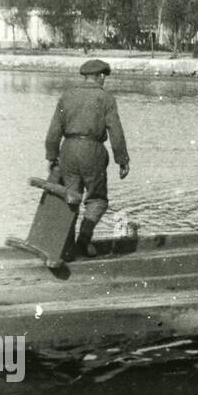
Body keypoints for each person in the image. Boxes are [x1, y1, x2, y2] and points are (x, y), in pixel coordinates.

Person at [44, 59, 130, 259]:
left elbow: (54, 130)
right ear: (100, 76)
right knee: (97, 200)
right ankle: (83, 241)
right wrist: (122, 160)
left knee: (70, 199)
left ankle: (65, 249)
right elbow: (115, 131)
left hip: (68, 150)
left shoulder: (67, 96)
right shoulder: (106, 98)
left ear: (84, 76)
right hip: (93, 150)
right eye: (104, 77)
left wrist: (51, 155)